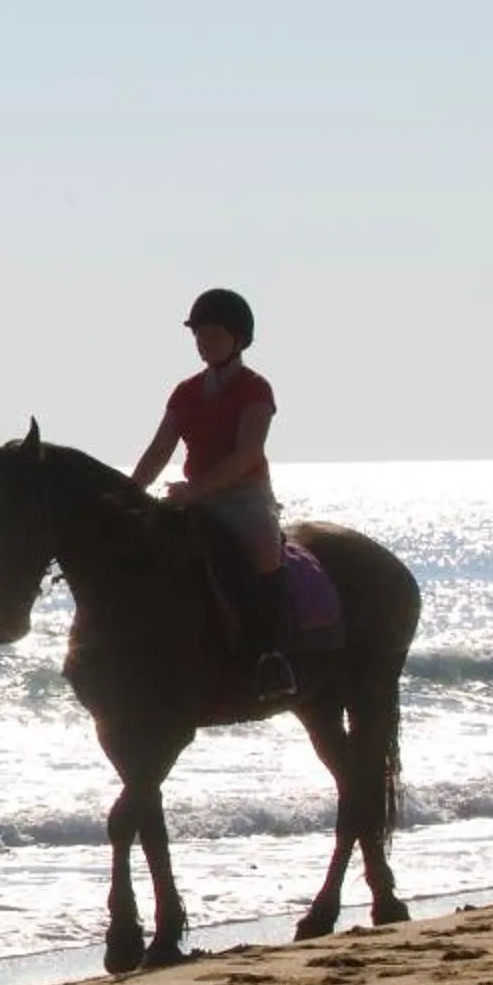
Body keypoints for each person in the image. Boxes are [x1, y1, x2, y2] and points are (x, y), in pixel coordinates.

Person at [129, 287, 296, 699]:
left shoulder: (255, 389)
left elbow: (247, 454)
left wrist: (193, 491)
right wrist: (129, 494)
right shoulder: (185, 392)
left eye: (214, 335)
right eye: (199, 335)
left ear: (238, 339)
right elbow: (158, 450)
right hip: (194, 497)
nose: (204, 343)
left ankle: (270, 656)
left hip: (243, 496)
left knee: (262, 548)